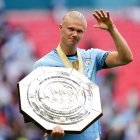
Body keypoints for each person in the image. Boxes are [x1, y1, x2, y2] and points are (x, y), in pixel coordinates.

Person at [33, 9, 133, 140]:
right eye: (71, 29)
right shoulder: (43, 65)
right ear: (61, 28)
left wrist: (112, 29)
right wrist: (50, 125)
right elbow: (36, 106)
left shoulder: (92, 57)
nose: (75, 34)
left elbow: (126, 58)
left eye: (79, 31)